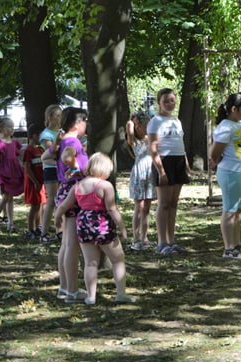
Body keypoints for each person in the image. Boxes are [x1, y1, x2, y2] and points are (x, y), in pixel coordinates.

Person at [54, 152, 134, 305]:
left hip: (83, 224)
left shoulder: (78, 185)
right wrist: (122, 228)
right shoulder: (105, 186)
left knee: (90, 262)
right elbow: (112, 209)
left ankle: (91, 296)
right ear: (104, 170)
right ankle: (121, 293)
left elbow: (64, 205)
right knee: (118, 259)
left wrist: (57, 217)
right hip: (102, 225)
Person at [43, 107, 89, 302]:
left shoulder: (63, 141)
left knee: (66, 244)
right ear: (77, 124)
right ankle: (72, 290)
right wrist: (78, 169)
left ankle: (64, 288)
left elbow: (46, 157)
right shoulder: (73, 141)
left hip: (64, 190)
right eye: (85, 122)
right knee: (72, 245)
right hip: (73, 192)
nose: (87, 125)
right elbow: (67, 158)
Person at [210, 93, 241, 260]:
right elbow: (215, 154)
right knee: (229, 210)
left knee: (238, 210)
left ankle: (236, 244)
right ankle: (228, 248)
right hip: (231, 172)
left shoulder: (239, 126)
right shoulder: (225, 127)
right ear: (233, 109)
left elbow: (240, 147)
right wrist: (219, 163)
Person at [147, 88, 190, 256]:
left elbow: (181, 144)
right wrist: (161, 170)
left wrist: (186, 165)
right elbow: (153, 148)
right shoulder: (155, 121)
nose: (169, 104)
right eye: (166, 101)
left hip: (178, 160)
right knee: (164, 204)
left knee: (173, 204)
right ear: (159, 102)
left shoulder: (177, 121)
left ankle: (171, 241)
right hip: (164, 161)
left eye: (172, 100)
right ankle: (161, 242)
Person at [126, 111, 156, 251]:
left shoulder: (151, 139)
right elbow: (129, 126)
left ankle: (144, 237)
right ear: (138, 127)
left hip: (150, 174)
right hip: (139, 175)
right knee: (139, 207)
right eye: (146, 126)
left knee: (147, 208)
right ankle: (136, 239)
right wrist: (133, 121)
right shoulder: (134, 141)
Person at [0, 117, 24, 232]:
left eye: (12, 127)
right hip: (3, 172)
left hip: (13, 171)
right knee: (5, 196)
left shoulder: (14, 143)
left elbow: (15, 158)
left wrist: (21, 168)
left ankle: (10, 222)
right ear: (1, 128)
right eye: (9, 127)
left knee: (10, 198)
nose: (11, 129)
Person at [39, 105, 62, 241]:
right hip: (51, 170)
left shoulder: (59, 132)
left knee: (60, 200)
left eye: (61, 116)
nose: (60, 119)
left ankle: (60, 231)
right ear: (50, 117)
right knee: (51, 200)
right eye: (57, 116)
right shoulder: (46, 135)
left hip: (60, 168)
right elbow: (53, 153)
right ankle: (44, 233)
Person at [22, 124, 47, 240]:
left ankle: (37, 228)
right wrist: (35, 181)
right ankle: (29, 229)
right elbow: (27, 168)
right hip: (33, 182)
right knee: (34, 206)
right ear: (33, 136)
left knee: (39, 205)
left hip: (40, 182)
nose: (41, 138)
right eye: (39, 135)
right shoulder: (28, 150)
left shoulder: (39, 149)